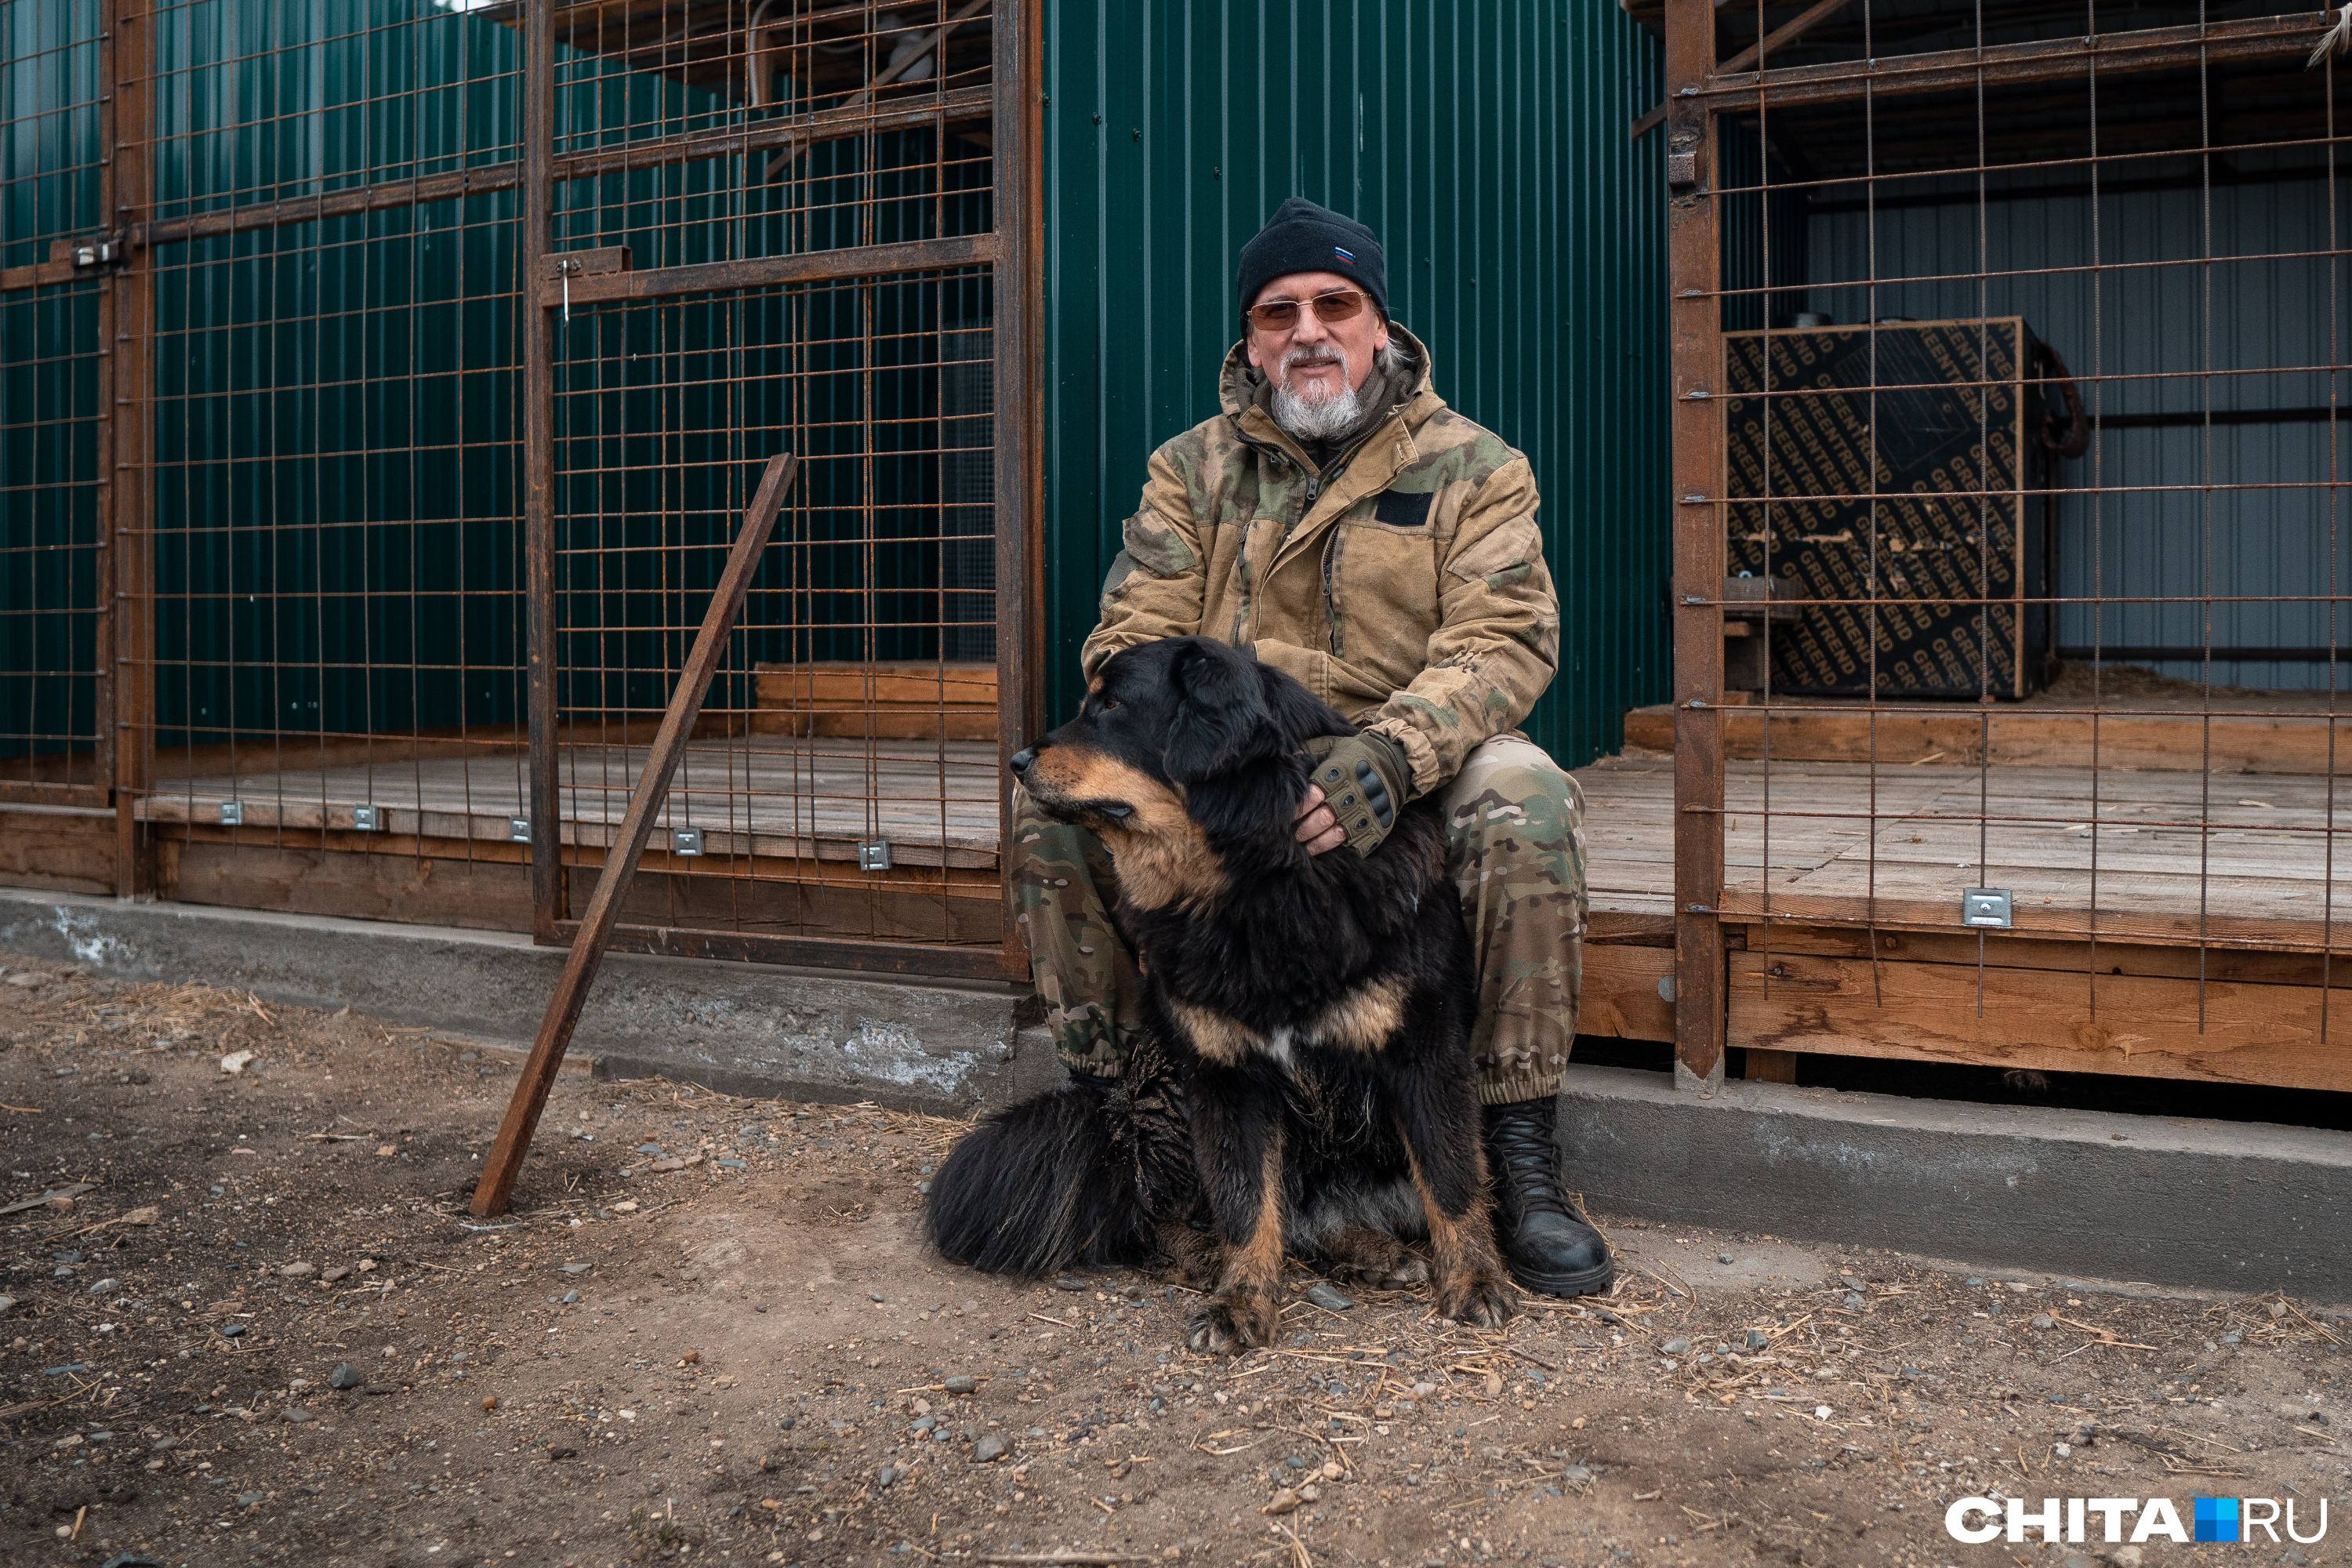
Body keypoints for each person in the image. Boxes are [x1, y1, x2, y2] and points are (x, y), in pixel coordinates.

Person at [1011, 198, 1610, 1297]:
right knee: (1053, 814)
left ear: (1381, 326)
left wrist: (1392, 755)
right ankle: (1125, 1114)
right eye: (1278, 310)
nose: (1309, 330)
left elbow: (1506, 639)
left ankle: (1519, 1151)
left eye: (1337, 304)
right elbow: (1133, 636)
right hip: (1241, 755)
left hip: (1410, 749)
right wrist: (1203, 752)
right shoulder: (1188, 471)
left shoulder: (1475, 464)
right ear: (1249, 339)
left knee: (1526, 797)